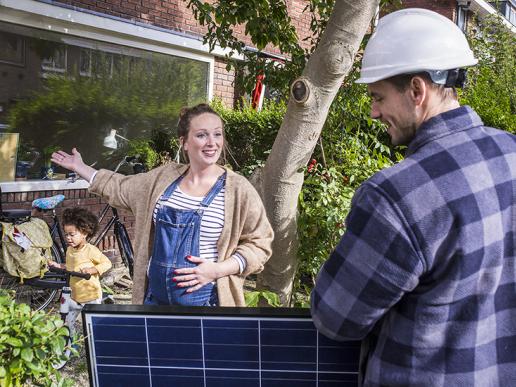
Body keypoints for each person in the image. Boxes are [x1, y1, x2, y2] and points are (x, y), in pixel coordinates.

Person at [311, 8, 516, 386]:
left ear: (417, 91)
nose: (373, 112)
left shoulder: (396, 195)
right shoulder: (511, 153)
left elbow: (335, 317)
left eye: (378, 97)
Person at [51, 103, 273, 306]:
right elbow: (120, 187)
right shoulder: (163, 179)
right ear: (184, 142)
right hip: (154, 300)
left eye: (217, 134)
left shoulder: (237, 189)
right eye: (202, 135)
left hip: (208, 301)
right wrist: (80, 167)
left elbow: (260, 244)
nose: (211, 142)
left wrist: (217, 270)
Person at [48, 208, 112, 330]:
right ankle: (70, 345)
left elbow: (107, 263)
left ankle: (95, 342)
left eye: (72, 234)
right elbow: (71, 267)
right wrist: (58, 265)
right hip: (74, 296)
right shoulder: (70, 250)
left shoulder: (90, 250)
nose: (68, 238)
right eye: (66, 234)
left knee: (93, 325)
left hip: (90, 296)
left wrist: (93, 269)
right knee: (68, 324)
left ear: (85, 233)